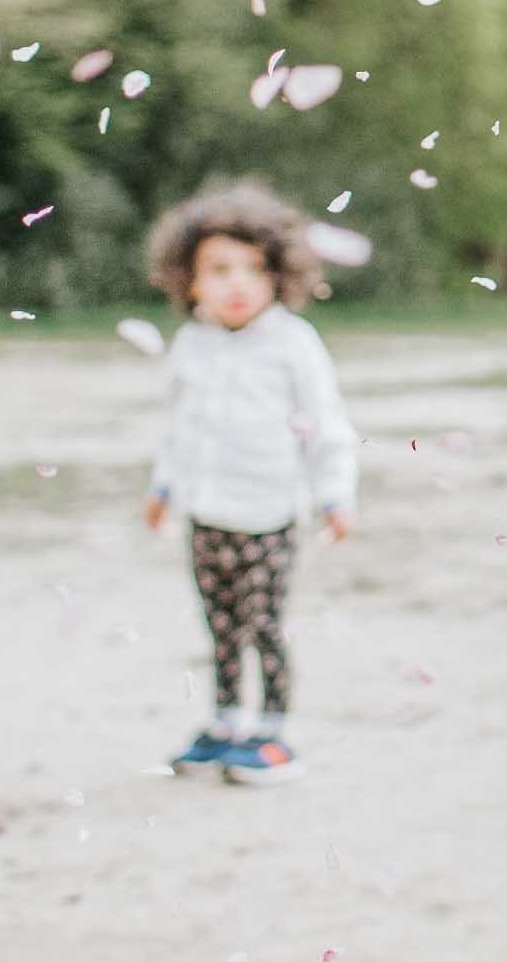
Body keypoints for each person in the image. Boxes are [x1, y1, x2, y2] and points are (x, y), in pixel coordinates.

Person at [143, 180, 357, 787]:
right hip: (206, 514)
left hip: (269, 517)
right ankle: (225, 720)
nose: (237, 283)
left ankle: (273, 731)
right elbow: (179, 429)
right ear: (188, 280)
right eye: (218, 269)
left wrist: (335, 494)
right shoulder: (191, 345)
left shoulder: (293, 344)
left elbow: (326, 427)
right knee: (219, 628)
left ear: (278, 275)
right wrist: (163, 490)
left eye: (253, 269)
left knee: (263, 627)